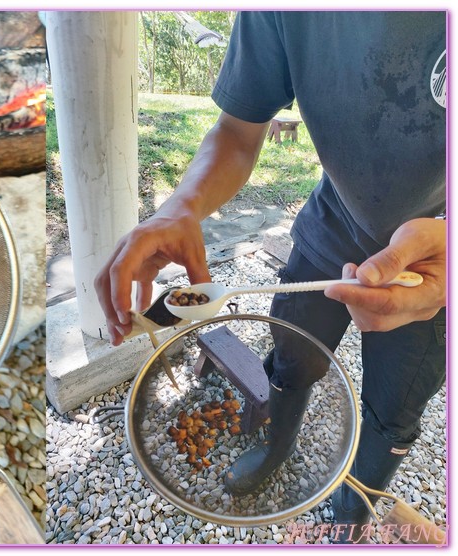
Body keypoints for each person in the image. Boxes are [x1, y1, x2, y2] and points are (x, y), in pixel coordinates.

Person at [94, 11, 446, 543]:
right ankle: (277, 446)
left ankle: (357, 502)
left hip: (436, 259)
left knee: (395, 405)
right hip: (333, 224)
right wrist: (181, 207)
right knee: (290, 355)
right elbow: (237, 131)